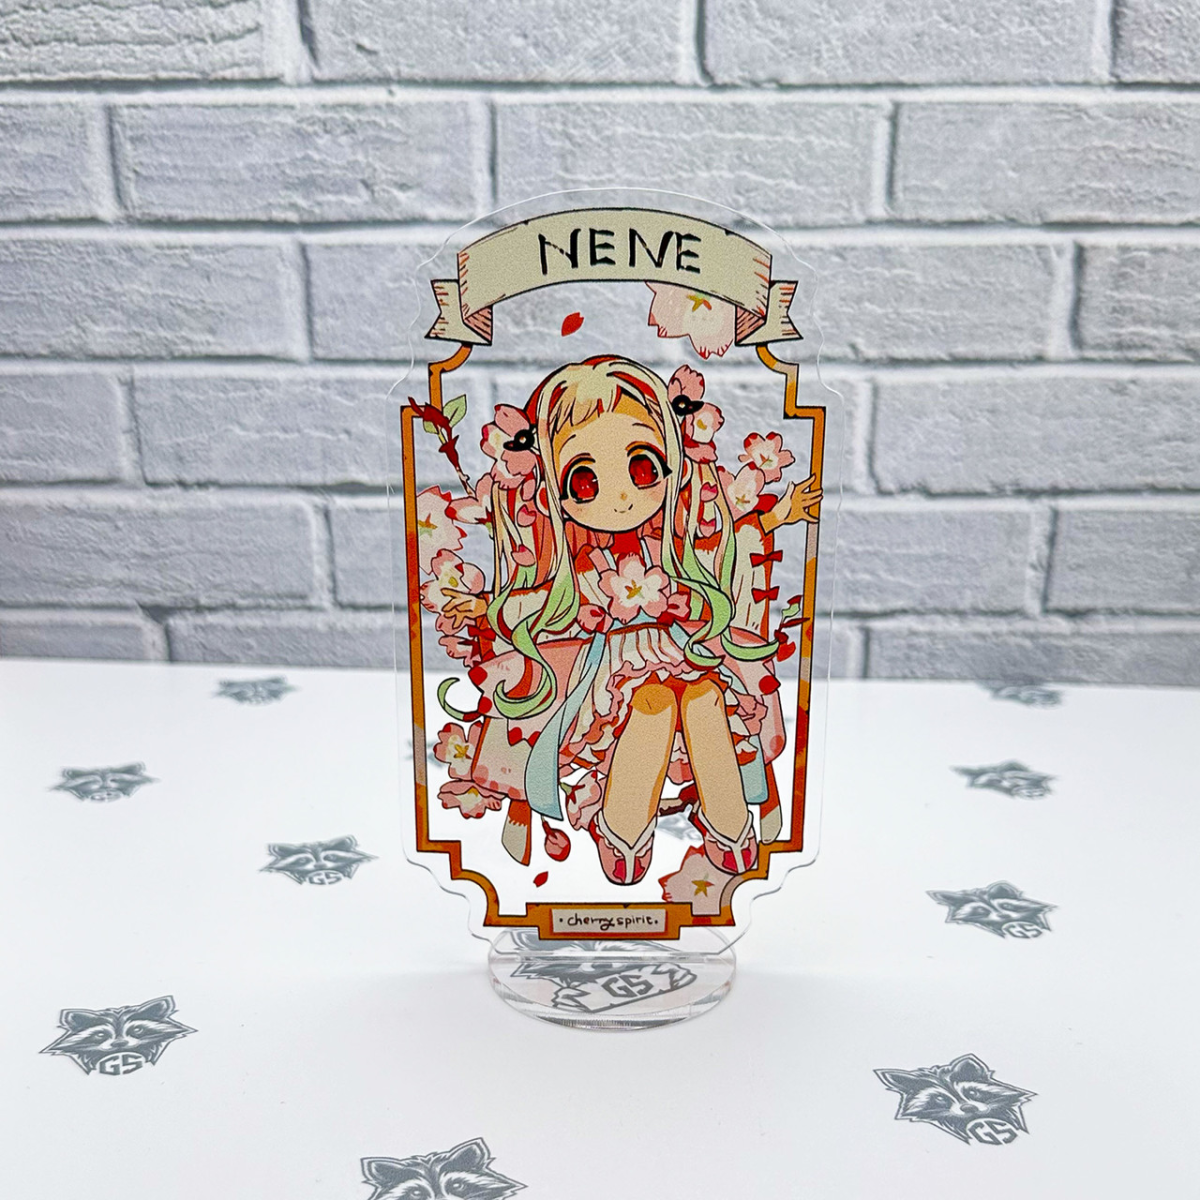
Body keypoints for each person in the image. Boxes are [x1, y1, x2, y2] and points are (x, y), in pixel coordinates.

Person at [423, 356, 820, 886]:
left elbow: (723, 550)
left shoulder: (673, 542)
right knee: (652, 704)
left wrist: (775, 517)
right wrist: (493, 607)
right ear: (551, 488)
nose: (623, 496)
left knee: (704, 699)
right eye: (585, 481)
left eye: (643, 468)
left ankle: (727, 821)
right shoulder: (575, 562)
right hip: (603, 667)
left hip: (682, 648)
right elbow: (536, 605)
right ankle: (623, 826)